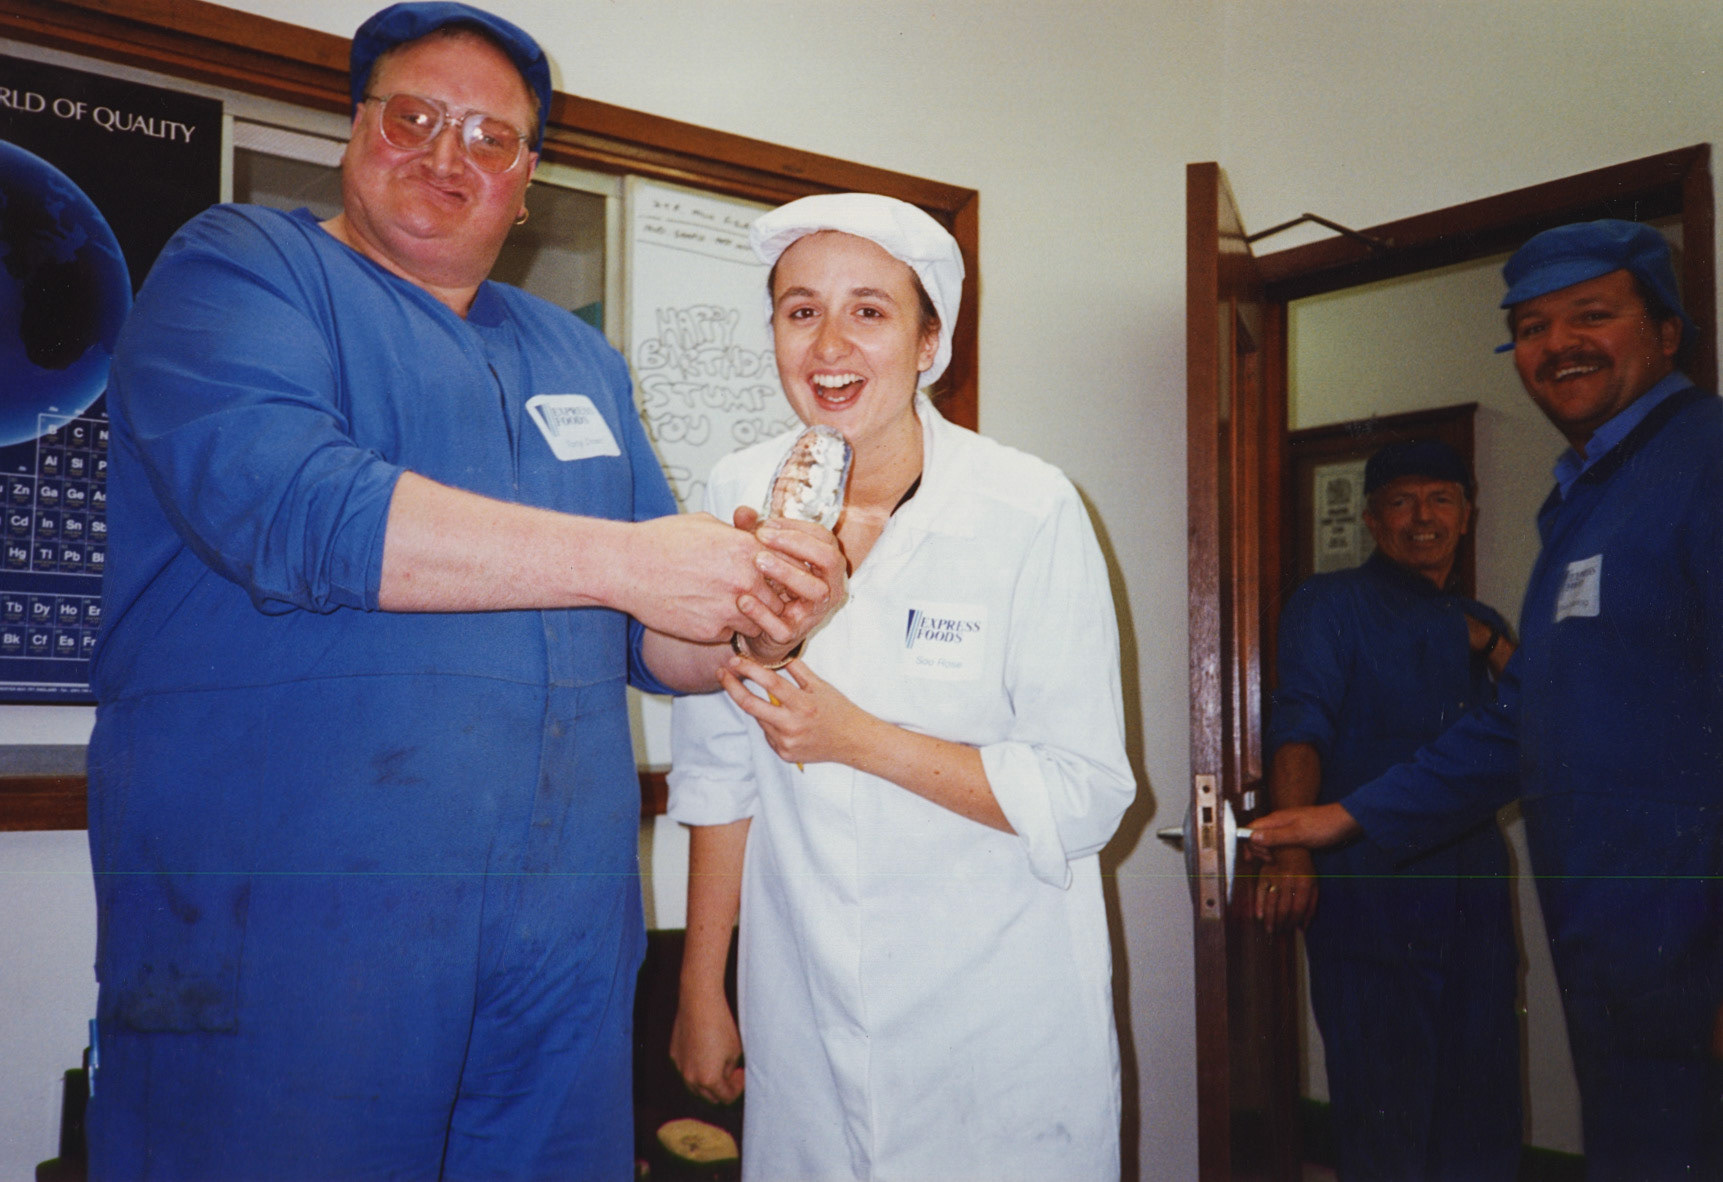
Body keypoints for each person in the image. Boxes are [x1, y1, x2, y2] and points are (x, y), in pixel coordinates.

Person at [84, 5, 844, 1179]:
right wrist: (630, 561)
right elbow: (293, 507)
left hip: (558, 953)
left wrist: (755, 622)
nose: (450, 155)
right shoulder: (240, 268)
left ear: (527, 181)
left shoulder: (577, 358)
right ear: (354, 129)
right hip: (285, 932)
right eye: (415, 118)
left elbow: (651, 643)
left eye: (493, 138)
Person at [665, 193, 1135, 1181]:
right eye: (800, 310)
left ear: (930, 342)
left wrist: (855, 739)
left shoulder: (1025, 507)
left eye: (869, 311)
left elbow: (1084, 793)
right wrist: (701, 988)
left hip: (996, 1016)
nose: (829, 344)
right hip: (804, 1002)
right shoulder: (736, 495)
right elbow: (718, 772)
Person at [1252, 219, 1723, 1180]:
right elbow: (1521, 721)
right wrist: (1330, 822)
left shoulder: (1700, 465)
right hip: (1587, 943)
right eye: (1532, 327)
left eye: (1591, 314)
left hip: (1676, 938)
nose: (1559, 344)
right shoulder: (1583, 501)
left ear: (1666, 330)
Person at [1259, 438, 1520, 1181]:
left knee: (1483, 1103)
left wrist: (1490, 640)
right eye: (1401, 502)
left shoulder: (1478, 620)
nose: (1422, 517)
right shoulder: (1329, 603)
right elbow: (1299, 723)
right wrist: (1292, 848)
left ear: (1466, 515)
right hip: (1370, 892)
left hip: (1472, 891)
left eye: (1440, 499)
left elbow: (1544, 715)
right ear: (1372, 521)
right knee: (1384, 1112)